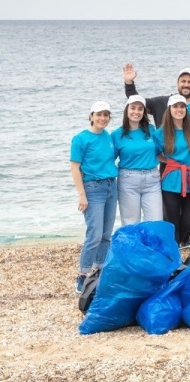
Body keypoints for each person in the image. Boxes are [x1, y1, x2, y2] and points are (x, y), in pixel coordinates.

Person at [70, 101, 118, 293]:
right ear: (91, 116)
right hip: (93, 189)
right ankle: (82, 275)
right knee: (94, 234)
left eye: (106, 115)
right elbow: (75, 167)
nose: (102, 118)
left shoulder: (108, 137)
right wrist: (82, 195)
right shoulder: (81, 139)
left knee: (106, 234)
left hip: (110, 186)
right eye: (98, 114)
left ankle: (100, 269)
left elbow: (110, 158)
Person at [153, 95, 190, 247]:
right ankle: (173, 245)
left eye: (182, 107)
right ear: (169, 109)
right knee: (172, 217)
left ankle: (184, 240)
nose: (179, 110)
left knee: (188, 219)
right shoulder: (161, 132)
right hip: (171, 179)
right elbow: (155, 153)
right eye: (175, 107)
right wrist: (170, 162)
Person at [111, 95, 163, 226]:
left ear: (144, 112)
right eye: (133, 108)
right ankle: (134, 247)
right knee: (130, 223)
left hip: (152, 179)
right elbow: (108, 159)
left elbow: (158, 153)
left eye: (140, 109)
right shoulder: (117, 134)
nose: (136, 112)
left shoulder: (150, 130)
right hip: (128, 180)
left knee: (155, 222)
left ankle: (150, 247)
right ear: (127, 110)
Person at [123, 62, 190, 124]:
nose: (186, 85)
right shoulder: (161, 103)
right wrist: (129, 83)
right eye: (183, 81)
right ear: (177, 83)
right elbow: (137, 101)